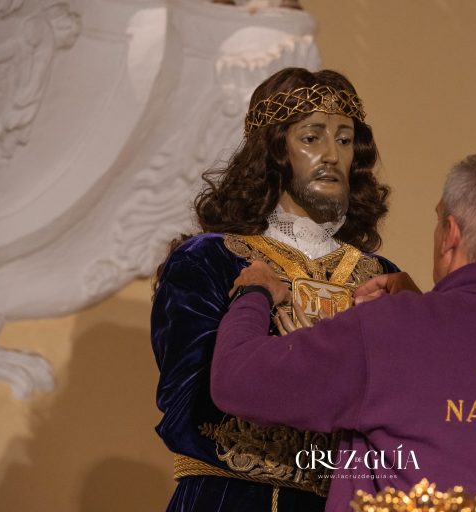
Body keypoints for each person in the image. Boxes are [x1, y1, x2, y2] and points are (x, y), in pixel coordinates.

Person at [209, 150, 476, 512]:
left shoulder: (386, 332)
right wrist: (417, 302)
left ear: (450, 234)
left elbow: (236, 380)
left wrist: (255, 291)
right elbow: (475, 391)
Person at [151, 67, 399, 512]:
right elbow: (190, 404)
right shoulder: (211, 260)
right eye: (312, 137)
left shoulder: (382, 278)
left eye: (344, 139)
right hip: (227, 496)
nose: (330, 154)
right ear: (274, 151)